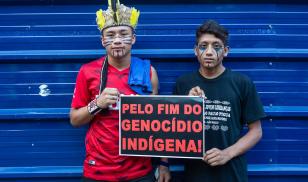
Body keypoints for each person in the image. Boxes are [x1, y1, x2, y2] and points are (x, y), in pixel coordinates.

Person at [70, 0, 171, 181]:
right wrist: (97, 104)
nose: (117, 40)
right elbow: (75, 119)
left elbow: (159, 121)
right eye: (110, 35)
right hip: (98, 170)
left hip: (139, 171)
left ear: (133, 38)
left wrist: (163, 163)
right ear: (102, 41)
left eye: (123, 34)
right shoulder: (87, 71)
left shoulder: (148, 71)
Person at [173, 20, 266, 182]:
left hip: (232, 174)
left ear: (226, 51)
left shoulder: (242, 83)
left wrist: (227, 153)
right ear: (195, 51)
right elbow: (170, 132)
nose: (209, 51)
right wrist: (188, 105)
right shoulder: (183, 83)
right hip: (195, 175)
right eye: (203, 46)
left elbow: (256, 132)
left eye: (216, 46)